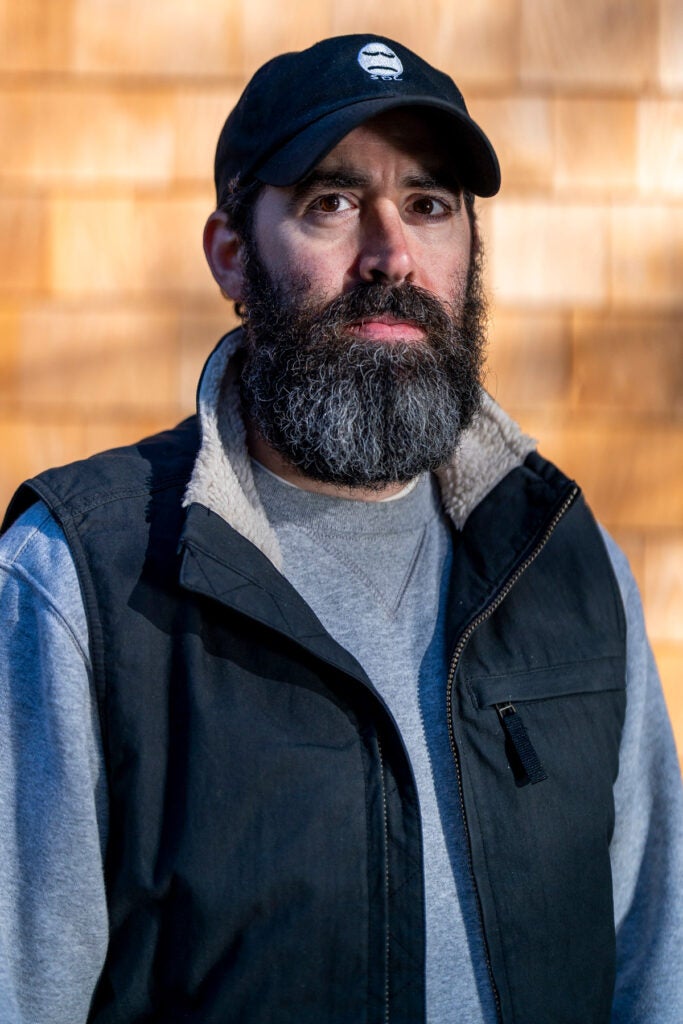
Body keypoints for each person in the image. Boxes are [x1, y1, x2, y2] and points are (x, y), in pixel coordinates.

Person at [0, 33, 681, 1024]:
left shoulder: (565, 564)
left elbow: (655, 972)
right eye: (331, 202)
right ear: (231, 255)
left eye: (428, 204)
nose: (390, 254)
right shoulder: (77, 582)